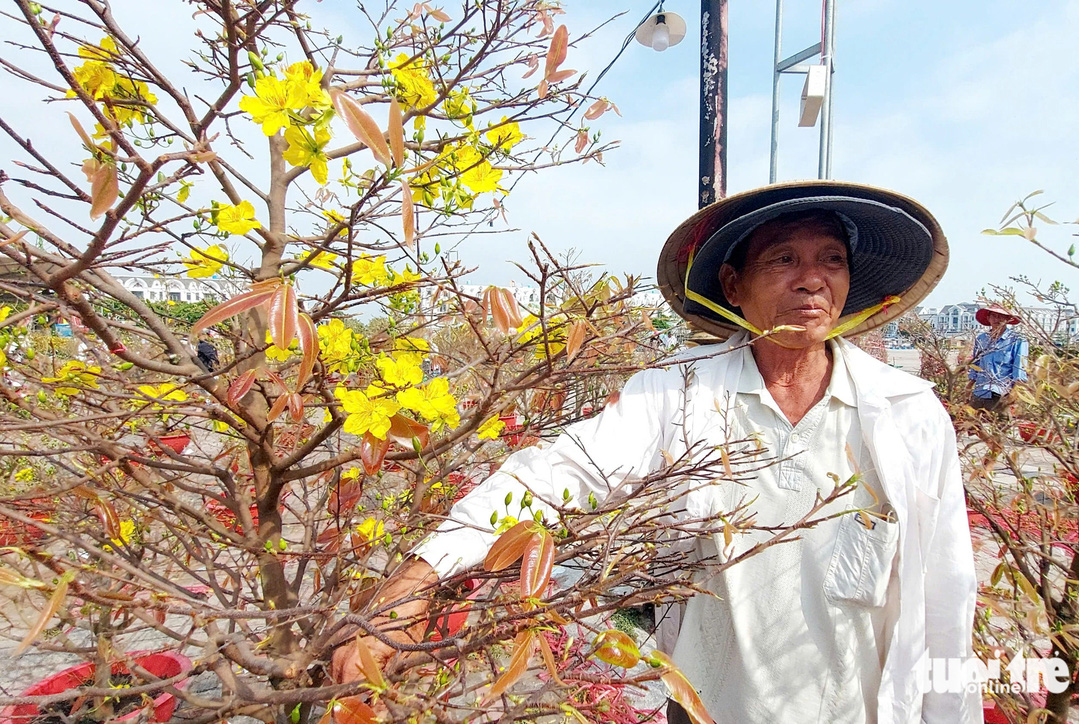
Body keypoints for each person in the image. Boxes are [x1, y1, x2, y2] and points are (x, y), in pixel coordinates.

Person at [333, 181, 980, 723]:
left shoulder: (909, 416)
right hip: (710, 709)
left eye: (830, 259)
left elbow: (947, 597)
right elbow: (560, 472)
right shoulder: (679, 392)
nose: (811, 279)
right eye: (782, 259)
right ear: (733, 284)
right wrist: (417, 579)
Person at [968, 303, 1027, 414]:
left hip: (1001, 393)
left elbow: (1019, 370)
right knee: (973, 427)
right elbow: (975, 365)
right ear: (988, 318)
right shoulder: (982, 339)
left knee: (998, 427)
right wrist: (968, 388)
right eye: (994, 316)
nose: (997, 319)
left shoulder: (1017, 340)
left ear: (1007, 319)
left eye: (1001, 316)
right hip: (980, 392)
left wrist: (1012, 396)